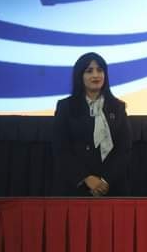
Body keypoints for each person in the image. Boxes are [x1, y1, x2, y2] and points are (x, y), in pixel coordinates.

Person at [52, 52, 132, 196]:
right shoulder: (66, 107)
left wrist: (105, 181)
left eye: (99, 70)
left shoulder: (117, 107)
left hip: (112, 188)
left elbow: (124, 149)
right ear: (80, 76)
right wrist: (86, 178)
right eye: (89, 71)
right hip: (77, 188)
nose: (96, 75)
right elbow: (61, 148)